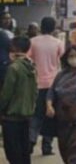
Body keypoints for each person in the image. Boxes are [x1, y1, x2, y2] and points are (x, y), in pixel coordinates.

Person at [28, 16, 64, 156]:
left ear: (41, 27)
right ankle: (47, 147)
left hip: (36, 84)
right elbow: (64, 60)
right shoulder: (58, 43)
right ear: (54, 27)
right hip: (53, 84)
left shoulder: (33, 42)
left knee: (36, 115)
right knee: (50, 116)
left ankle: (31, 141)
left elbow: (28, 59)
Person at [0, 36, 38, 164]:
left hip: (12, 116)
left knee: (12, 151)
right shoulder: (31, 66)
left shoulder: (13, 68)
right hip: (26, 114)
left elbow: (6, 94)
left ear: (15, 48)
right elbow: (35, 91)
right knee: (24, 150)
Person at [0, 11, 13, 87]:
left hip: (6, 66)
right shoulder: (3, 34)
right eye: (5, 18)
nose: (7, 21)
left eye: (9, 18)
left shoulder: (10, 33)